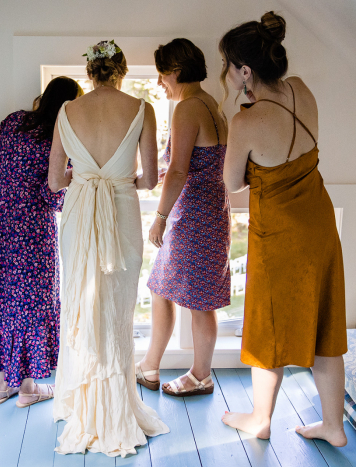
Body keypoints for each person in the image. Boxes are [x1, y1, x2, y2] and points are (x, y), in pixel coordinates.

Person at [219, 12, 348, 447]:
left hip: (279, 234)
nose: (226, 74)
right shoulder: (303, 91)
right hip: (319, 223)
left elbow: (232, 181)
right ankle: (334, 427)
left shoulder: (246, 122)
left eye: (229, 67)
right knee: (325, 325)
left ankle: (260, 419)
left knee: (267, 326)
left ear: (245, 71)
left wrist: (231, 100)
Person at [48, 40, 169, 457]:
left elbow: (53, 182)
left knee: (82, 305)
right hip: (120, 215)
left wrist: (83, 178)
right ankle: (115, 408)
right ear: (119, 70)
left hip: (80, 216)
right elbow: (151, 179)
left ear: (89, 71)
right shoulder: (142, 109)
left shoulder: (66, 112)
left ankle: (85, 407)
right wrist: (120, 182)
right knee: (116, 310)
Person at [0, 77, 84, 407]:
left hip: (2, 223)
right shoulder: (62, 137)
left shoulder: (13, 121)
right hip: (34, 227)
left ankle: (0, 384)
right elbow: (55, 197)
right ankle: (28, 388)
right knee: (34, 302)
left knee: (4, 297)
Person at [138, 38, 230, 397]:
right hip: (207, 212)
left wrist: (159, 217)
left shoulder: (189, 107)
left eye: (162, 75)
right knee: (164, 289)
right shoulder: (212, 105)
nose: (160, 83)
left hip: (193, 218)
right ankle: (150, 366)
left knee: (198, 301)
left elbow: (178, 170)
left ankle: (200, 376)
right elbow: (195, 166)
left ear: (176, 71)